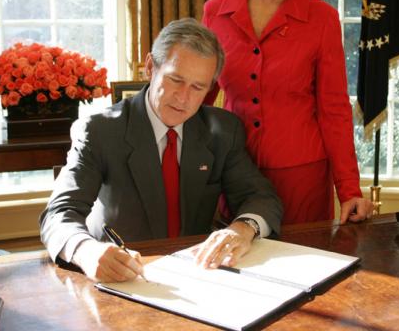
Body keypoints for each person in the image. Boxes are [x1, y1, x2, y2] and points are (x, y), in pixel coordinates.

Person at [40, 18, 283, 283]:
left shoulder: (223, 130)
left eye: (197, 87)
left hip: (198, 274)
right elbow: (59, 214)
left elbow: (261, 197)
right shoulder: (99, 131)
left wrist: (241, 229)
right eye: (175, 79)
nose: (183, 98)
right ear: (149, 68)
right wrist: (86, 251)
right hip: (124, 275)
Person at [202, 0, 373, 225]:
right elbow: (200, 96)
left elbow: (334, 110)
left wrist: (349, 189)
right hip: (233, 169)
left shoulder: (322, 20)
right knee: (236, 265)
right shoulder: (216, 12)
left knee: (302, 266)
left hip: (302, 176)